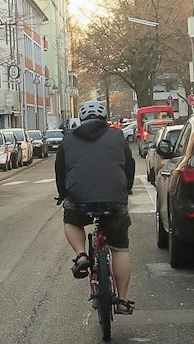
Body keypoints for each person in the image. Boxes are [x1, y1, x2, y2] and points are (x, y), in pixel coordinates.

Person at [54, 98, 138, 314]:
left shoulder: (68, 139)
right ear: (104, 118)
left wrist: (63, 194)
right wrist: (126, 189)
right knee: (120, 247)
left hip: (79, 198)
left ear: (81, 120)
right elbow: (129, 166)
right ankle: (122, 301)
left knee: (71, 221)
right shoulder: (117, 136)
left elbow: (60, 170)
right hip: (114, 199)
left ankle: (81, 255)